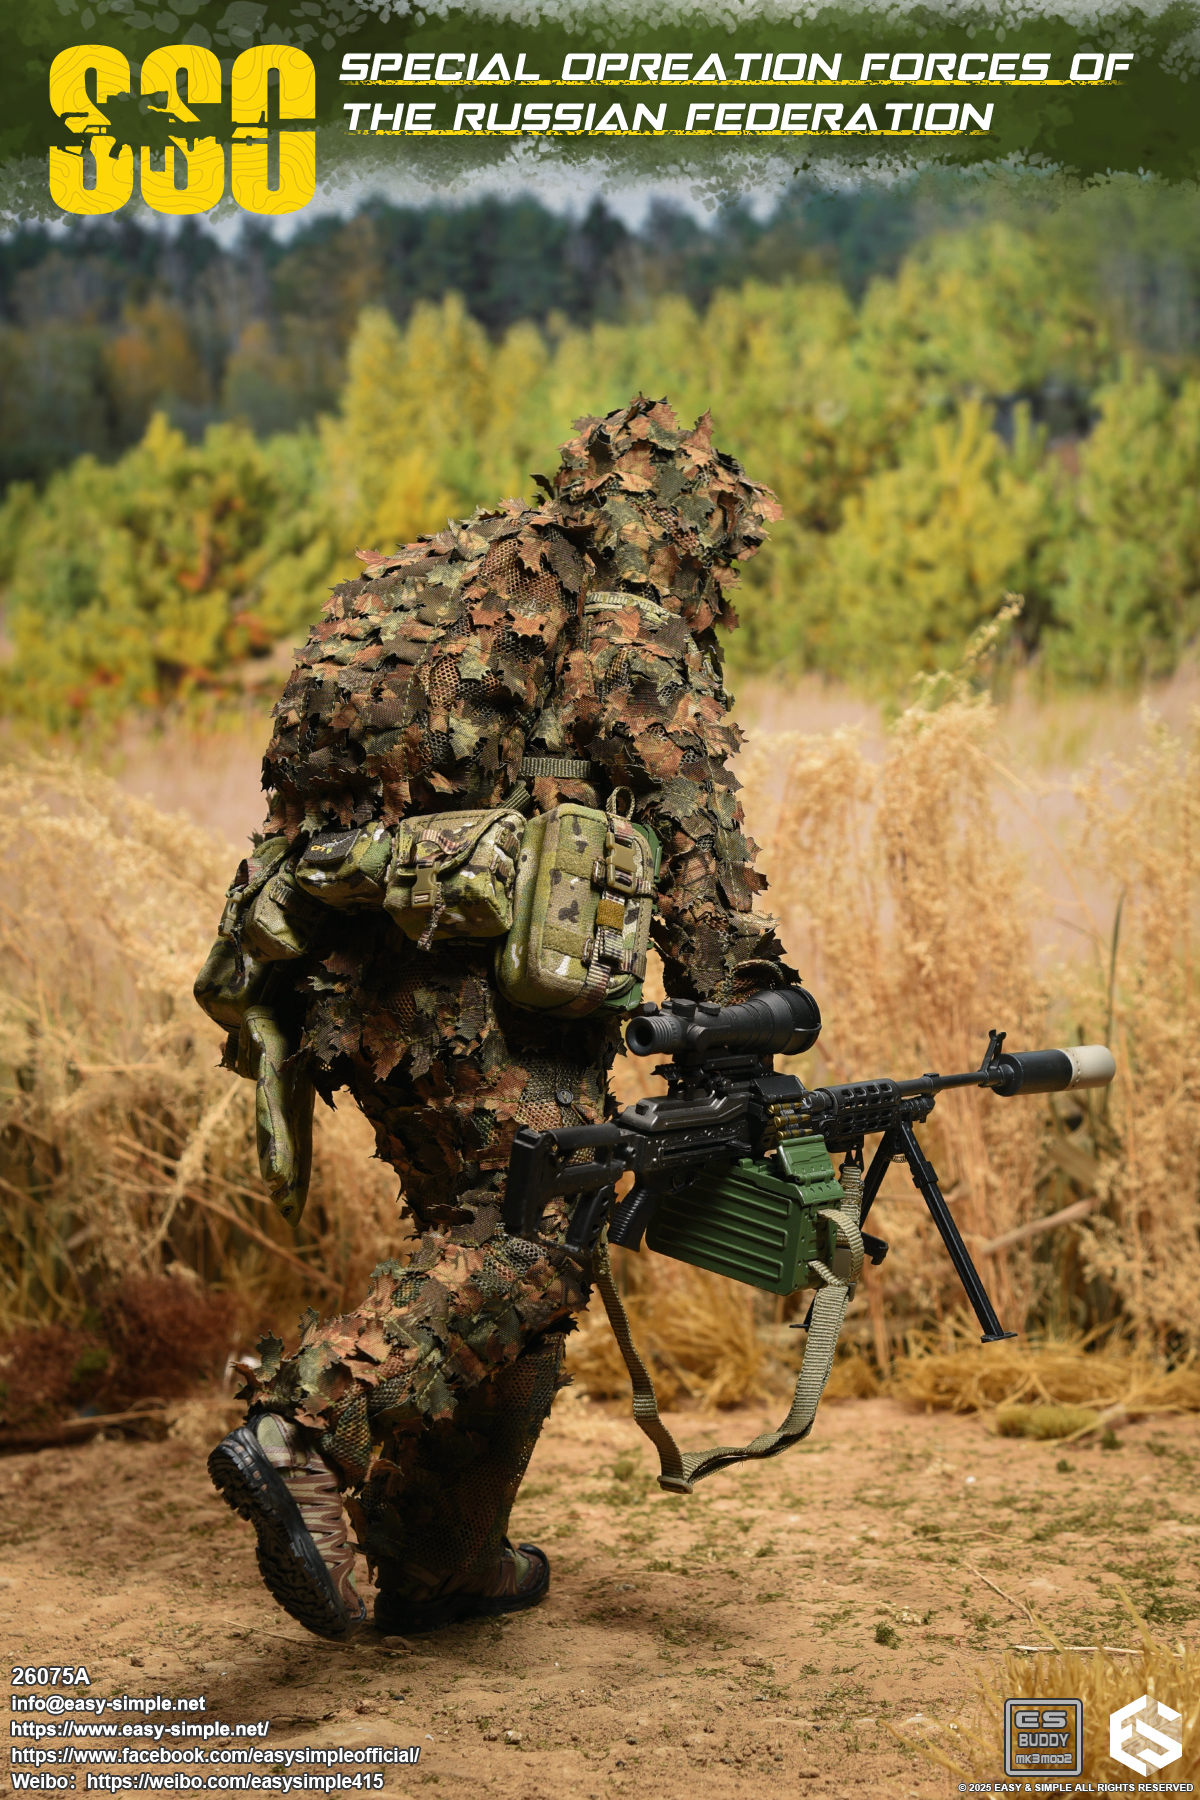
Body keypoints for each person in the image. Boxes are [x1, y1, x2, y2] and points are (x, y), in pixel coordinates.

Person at [198, 394, 790, 1641]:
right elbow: (687, 817)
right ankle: (303, 1427)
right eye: (718, 555)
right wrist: (741, 1002)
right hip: (472, 976)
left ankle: (442, 1556)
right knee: (538, 1230)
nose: (717, 585)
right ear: (683, 528)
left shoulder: (450, 580)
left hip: (334, 964)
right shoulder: (626, 611)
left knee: (506, 1221)